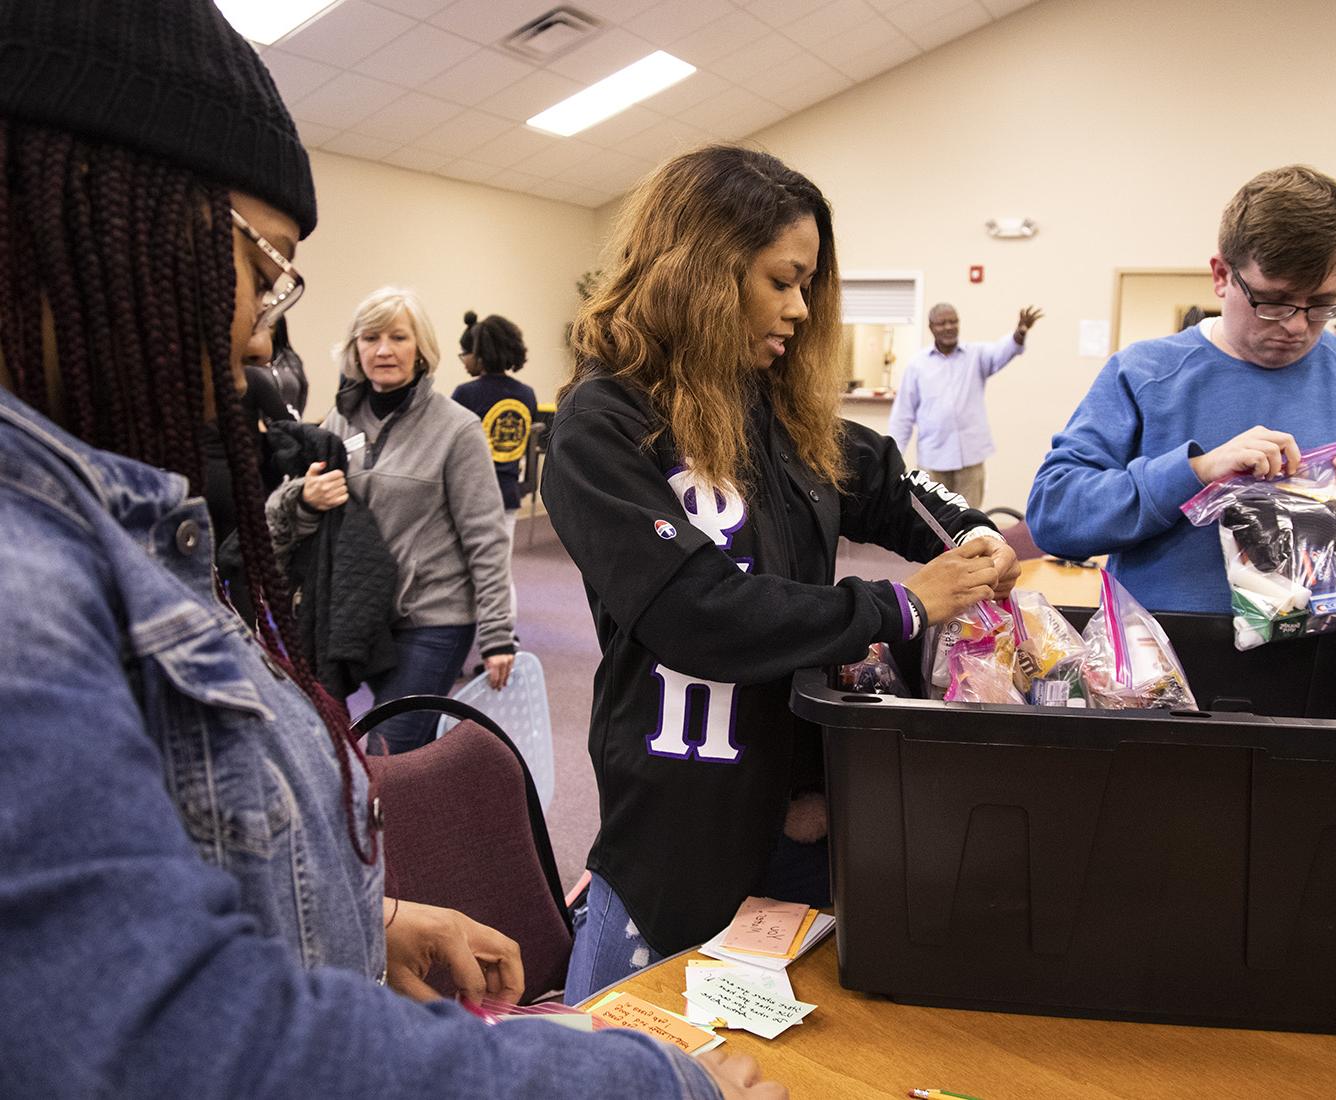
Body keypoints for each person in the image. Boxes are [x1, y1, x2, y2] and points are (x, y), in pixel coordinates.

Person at [0, 4, 781, 1096]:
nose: (265, 331)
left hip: (443, 620)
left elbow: (157, 872)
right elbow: (177, 1042)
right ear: (90, 207)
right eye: (263, 264)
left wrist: (356, 923)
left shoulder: (100, 524)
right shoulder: (24, 583)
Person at [543, 145, 1022, 1002]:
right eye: (781, 279)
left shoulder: (774, 410)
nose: (801, 308)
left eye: (808, 285)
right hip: (676, 827)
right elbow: (697, 610)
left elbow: (885, 484)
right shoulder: (601, 424)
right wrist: (899, 606)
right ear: (702, 271)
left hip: (799, 818)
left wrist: (977, 531)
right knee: (632, 1056)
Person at [1028, 165, 1336, 611]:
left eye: (1324, 304)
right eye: (1274, 301)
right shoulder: (1144, 374)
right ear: (1222, 275)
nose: (1298, 326)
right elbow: (1055, 516)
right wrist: (1197, 472)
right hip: (1171, 671)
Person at [266, 289, 518, 754]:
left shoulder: (457, 429)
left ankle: (401, 826)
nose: (384, 350)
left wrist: (498, 633)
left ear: (420, 348)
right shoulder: (339, 422)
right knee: (340, 744)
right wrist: (306, 497)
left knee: (387, 750)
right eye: (371, 337)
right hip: (362, 616)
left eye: (398, 337)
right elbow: (296, 509)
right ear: (355, 349)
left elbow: (486, 538)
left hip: (434, 618)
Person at [887, 300, 1044, 508]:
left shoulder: (975, 355)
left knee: (970, 520)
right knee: (932, 521)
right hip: (933, 458)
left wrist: (1019, 333)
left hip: (970, 458)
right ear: (931, 327)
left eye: (953, 322)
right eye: (942, 323)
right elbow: (903, 416)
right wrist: (892, 457)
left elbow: (1002, 351)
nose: (948, 327)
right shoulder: (917, 365)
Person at [452, 309, 540, 600]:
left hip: (470, 497)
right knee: (500, 571)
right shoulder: (527, 395)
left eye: (464, 353)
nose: (463, 360)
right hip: (507, 494)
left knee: (463, 569)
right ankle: (506, 636)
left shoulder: (465, 394)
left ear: (478, 353)